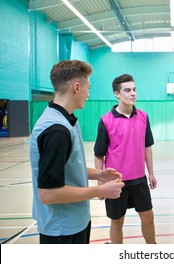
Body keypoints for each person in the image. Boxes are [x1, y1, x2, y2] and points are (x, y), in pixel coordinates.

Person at [30, 60, 124, 244]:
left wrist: (100, 173)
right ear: (76, 87)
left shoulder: (66, 120)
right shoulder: (56, 130)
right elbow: (48, 194)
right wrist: (100, 189)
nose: (88, 94)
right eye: (88, 88)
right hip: (62, 230)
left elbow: (68, 167)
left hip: (73, 222)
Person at [94, 74, 157, 244]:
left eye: (134, 90)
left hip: (139, 180)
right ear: (117, 94)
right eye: (127, 90)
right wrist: (100, 184)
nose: (133, 93)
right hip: (115, 181)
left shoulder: (143, 117)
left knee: (148, 217)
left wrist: (151, 173)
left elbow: (147, 147)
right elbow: (99, 154)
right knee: (117, 221)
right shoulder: (106, 121)